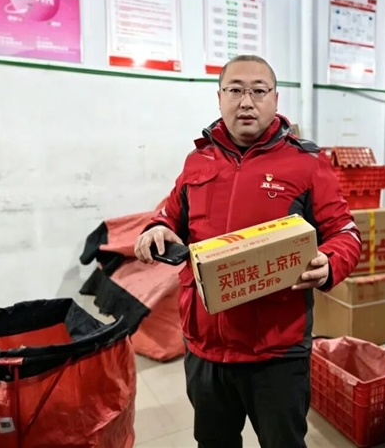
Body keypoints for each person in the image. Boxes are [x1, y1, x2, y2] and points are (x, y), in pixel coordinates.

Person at [134, 55, 361, 448]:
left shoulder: (306, 163)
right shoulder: (198, 160)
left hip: (276, 351)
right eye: (235, 90)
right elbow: (170, 215)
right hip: (205, 347)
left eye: (258, 91)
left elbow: (345, 232)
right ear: (219, 97)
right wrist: (157, 228)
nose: (246, 101)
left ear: (275, 98)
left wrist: (330, 263)